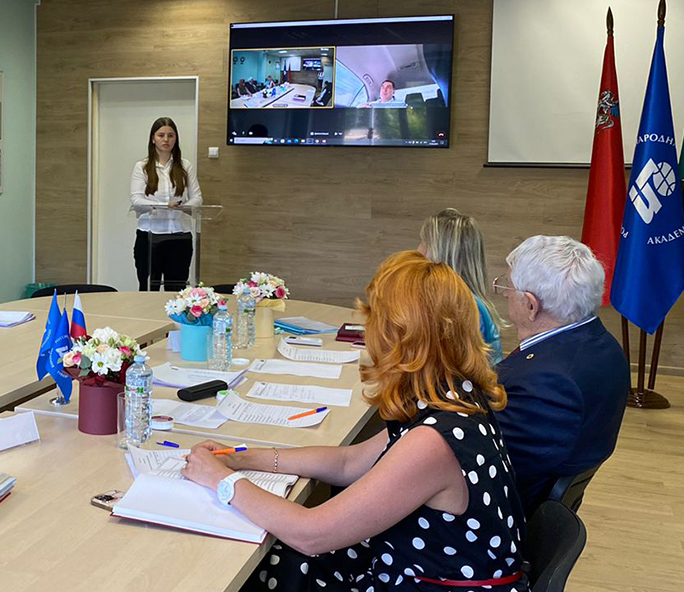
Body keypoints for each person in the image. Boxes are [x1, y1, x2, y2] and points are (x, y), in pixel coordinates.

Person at [182, 251, 528, 591]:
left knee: (264, 566)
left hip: (425, 585)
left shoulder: (433, 442)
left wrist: (222, 482)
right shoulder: (454, 397)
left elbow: (311, 534)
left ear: (398, 338)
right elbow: (350, 461)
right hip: (417, 571)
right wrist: (242, 457)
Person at [492, 235, 629, 516]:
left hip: (503, 514)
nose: (505, 294)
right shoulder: (603, 345)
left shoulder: (548, 384)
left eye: (508, 287)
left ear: (531, 305)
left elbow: (482, 460)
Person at [418, 208, 505, 365]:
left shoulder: (462, 306)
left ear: (440, 254)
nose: (418, 250)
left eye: (424, 243)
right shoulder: (465, 301)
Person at [129, 117, 202, 291]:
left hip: (179, 236)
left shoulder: (185, 166)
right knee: (148, 289)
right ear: (153, 138)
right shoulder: (142, 166)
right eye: (161, 135)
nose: (166, 139)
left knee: (176, 291)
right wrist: (165, 204)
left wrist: (182, 207)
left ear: (176, 139)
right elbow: (136, 200)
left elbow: (197, 197)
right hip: (149, 237)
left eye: (170, 135)